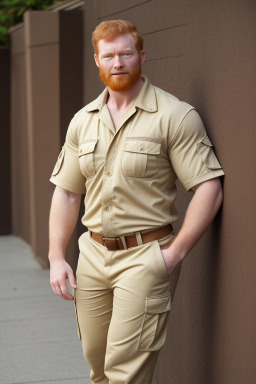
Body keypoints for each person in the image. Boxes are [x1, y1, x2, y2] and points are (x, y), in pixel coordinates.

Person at [48, 20, 224, 384]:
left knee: (124, 373)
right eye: (109, 55)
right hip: (92, 257)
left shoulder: (175, 116)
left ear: (141, 55)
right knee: (98, 368)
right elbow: (67, 192)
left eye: (126, 53)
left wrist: (172, 255)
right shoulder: (83, 121)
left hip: (146, 257)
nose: (118, 63)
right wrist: (55, 256)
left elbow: (209, 187)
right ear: (97, 60)